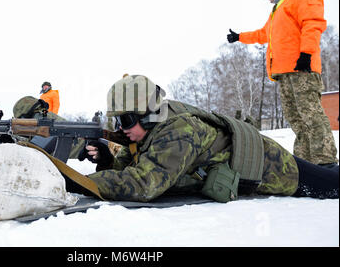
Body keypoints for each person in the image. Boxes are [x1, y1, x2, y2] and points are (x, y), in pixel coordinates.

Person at [73, 75, 338, 202]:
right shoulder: (142, 136)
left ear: (150, 114)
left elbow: (144, 183)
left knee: (333, 185)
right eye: (117, 121)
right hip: (257, 163)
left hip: (273, 167)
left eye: (127, 120)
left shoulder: (179, 131)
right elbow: (127, 171)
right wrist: (107, 161)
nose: (122, 128)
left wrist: (76, 182)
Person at [226, 0, 338, 167]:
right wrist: (240, 37)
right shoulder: (278, 9)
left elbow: (312, 24)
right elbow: (264, 34)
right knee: (296, 118)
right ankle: (306, 162)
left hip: (301, 68)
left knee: (310, 114)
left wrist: (306, 54)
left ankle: (326, 161)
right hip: (284, 72)